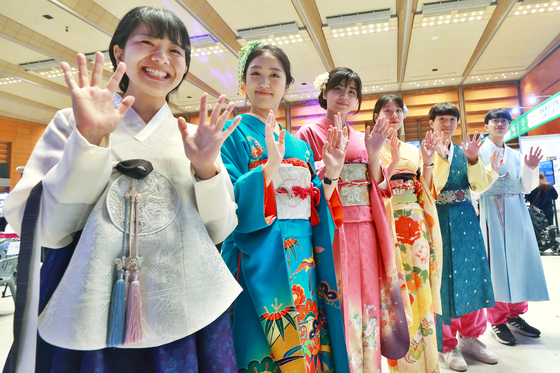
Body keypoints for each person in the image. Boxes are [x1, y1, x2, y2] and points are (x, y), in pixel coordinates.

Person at [2, 7, 242, 373]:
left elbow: (219, 231)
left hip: (182, 308)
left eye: (176, 51)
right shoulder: (72, 122)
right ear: (119, 53)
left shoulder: (193, 139)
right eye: (147, 42)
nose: (161, 58)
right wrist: (89, 140)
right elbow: (45, 228)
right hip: (90, 308)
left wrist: (206, 169)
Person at [220, 42, 350, 373]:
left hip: (303, 255)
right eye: (256, 74)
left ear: (288, 85)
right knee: (260, 339)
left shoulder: (300, 146)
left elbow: (316, 203)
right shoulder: (231, 134)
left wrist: (331, 175)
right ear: (243, 83)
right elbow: (224, 201)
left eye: (274, 75)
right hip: (255, 256)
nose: (265, 83)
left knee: (306, 336)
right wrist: (266, 171)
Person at [296, 68, 408, 372]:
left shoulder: (363, 136)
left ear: (357, 100)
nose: (345, 97)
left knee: (368, 295)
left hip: (366, 227)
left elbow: (380, 188)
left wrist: (374, 156)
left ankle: (369, 364)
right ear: (324, 94)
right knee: (340, 297)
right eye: (338, 89)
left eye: (352, 92)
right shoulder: (307, 133)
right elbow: (302, 180)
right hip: (333, 226)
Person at [428, 103, 502, 372]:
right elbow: (431, 185)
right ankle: (446, 344)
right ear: (432, 122)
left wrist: (473, 160)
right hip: (436, 218)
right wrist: (439, 158)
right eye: (441, 119)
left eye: (451, 119)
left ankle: (471, 337)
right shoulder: (424, 151)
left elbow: (479, 186)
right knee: (442, 280)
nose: (447, 123)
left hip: (465, 218)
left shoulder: (466, 151)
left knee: (472, 275)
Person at [375, 94, 443, 373]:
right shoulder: (374, 148)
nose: (393, 115)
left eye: (398, 111)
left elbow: (426, 192)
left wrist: (427, 163)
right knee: (398, 292)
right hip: (389, 224)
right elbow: (374, 192)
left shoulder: (414, 150)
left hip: (417, 229)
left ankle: (429, 362)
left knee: (421, 285)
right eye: (386, 110)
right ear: (377, 116)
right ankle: (403, 365)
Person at [478, 108, 549, 346]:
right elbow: (475, 186)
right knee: (496, 264)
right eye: (495, 121)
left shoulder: (516, 154)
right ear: (486, 125)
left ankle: (514, 315)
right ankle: (496, 319)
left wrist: (530, 168)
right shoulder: (479, 151)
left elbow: (526, 187)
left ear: (510, 126)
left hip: (516, 210)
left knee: (518, 261)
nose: (500, 124)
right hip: (491, 210)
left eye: (505, 121)